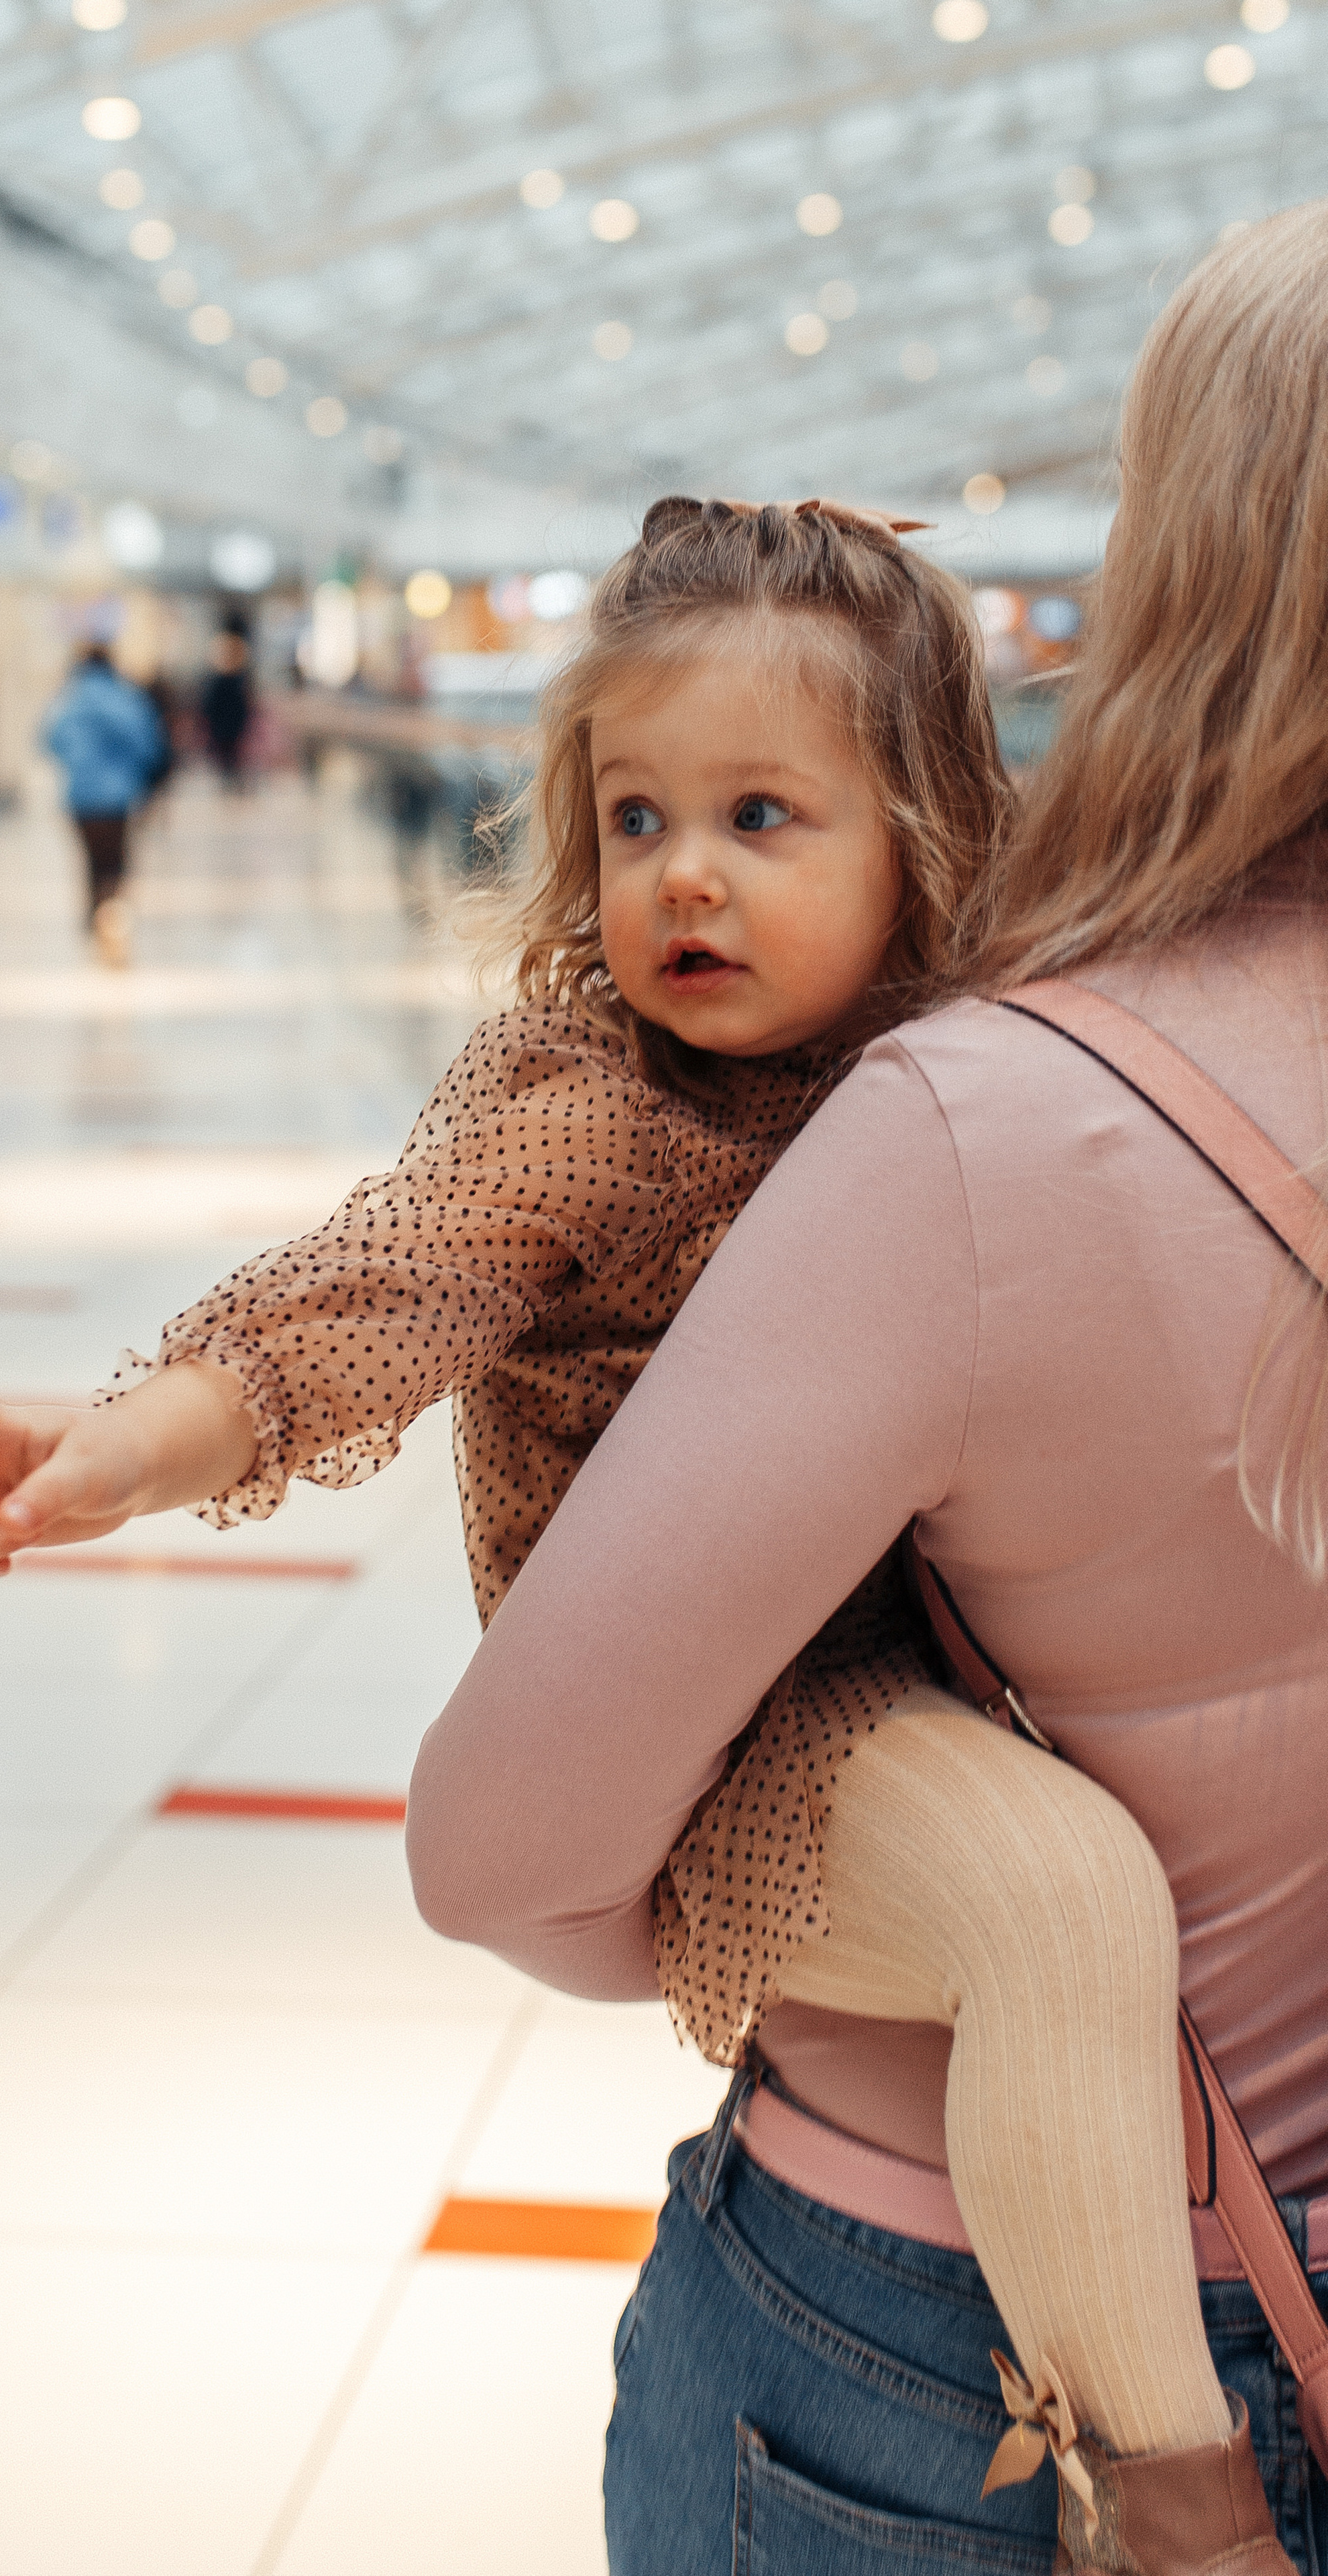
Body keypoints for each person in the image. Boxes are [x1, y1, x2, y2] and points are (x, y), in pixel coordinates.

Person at [0, 489, 1254, 2565]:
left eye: (760, 817)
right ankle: (1186, 2508)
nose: (683, 873)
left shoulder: (970, 1050)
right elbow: (363, 1294)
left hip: (948, 1655)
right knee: (1054, 1902)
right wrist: (116, 1444)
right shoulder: (599, 1104)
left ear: (924, 836)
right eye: (636, 820)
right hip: (738, 1724)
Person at [404, 207, 1328, 2574]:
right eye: (639, 818)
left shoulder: (989, 1119)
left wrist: (770, 1895)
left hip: (929, 2338)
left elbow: (503, 1850)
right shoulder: (655, 1103)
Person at [42, 643, 164, 967]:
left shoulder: (69, 700)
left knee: (91, 864)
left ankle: (96, 925)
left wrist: (79, 761)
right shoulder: (126, 698)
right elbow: (148, 745)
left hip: (80, 799)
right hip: (118, 799)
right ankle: (116, 924)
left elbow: (49, 741)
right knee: (116, 865)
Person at [199, 612, 255, 788]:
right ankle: (230, 780)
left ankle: (229, 779)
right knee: (229, 754)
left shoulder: (224, 648)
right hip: (229, 712)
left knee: (227, 754)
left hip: (225, 713)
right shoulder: (238, 650)